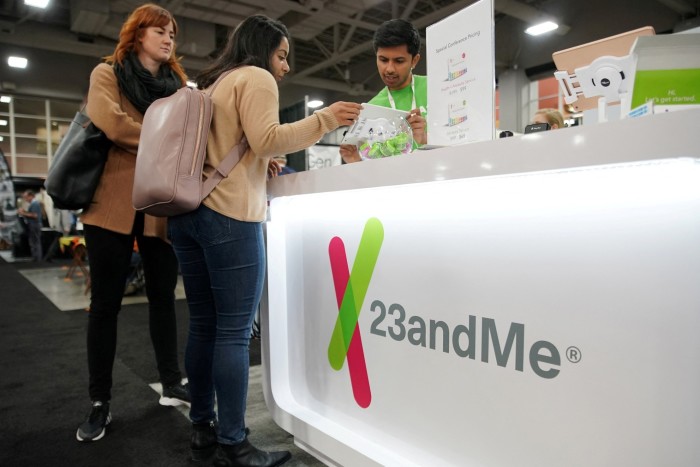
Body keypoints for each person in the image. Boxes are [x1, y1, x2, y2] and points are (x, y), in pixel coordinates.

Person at [167, 14, 361, 467]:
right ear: (262, 51)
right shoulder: (255, 77)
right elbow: (267, 137)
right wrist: (326, 118)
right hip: (230, 217)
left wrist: (260, 162)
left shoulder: (217, 82)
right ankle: (236, 442)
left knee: (203, 326)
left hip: (189, 214)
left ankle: (203, 428)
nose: (286, 67)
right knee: (233, 334)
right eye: (282, 55)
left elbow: (240, 146)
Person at [76, 3, 190, 443]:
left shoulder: (178, 85)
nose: (168, 39)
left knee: (164, 296)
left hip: (161, 203)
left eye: (173, 34)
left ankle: (171, 382)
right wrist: (168, 140)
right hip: (111, 204)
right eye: (160, 31)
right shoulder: (107, 73)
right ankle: (100, 402)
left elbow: (194, 134)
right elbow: (112, 125)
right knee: (106, 304)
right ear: (137, 34)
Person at [340, 19, 428, 163]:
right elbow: (373, 168)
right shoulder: (370, 111)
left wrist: (425, 138)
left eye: (399, 61)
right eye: (383, 60)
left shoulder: (436, 88)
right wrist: (356, 162)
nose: (389, 69)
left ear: (414, 60)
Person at [17, 190, 43, 261]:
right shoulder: (33, 204)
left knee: (35, 241)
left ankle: (37, 258)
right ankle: (36, 257)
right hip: (33, 225)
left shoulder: (35, 204)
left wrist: (23, 213)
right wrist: (24, 212)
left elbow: (35, 215)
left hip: (34, 225)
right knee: (33, 241)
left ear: (31, 196)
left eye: (26, 197)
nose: (25, 199)